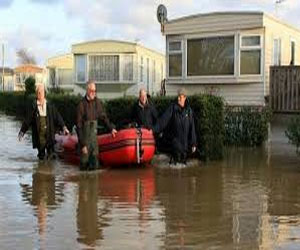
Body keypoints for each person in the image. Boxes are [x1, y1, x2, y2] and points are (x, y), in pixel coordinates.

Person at [18, 84, 69, 160]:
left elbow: (58, 117)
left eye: (41, 92)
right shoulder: (33, 106)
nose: (40, 94)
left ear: (44, 93)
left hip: (50, 135)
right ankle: (40, 170)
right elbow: (27, 121)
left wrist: (64, 127)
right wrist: (22, 132)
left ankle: (48, 170)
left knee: (51, 156)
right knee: (41, 157)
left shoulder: (50, 106)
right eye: (38, 92)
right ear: (36, 94)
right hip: (39, 137)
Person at [76, 80, 117, 170]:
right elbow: (78, 126)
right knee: (83, 168)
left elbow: (104, 117)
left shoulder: (97, 103)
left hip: (94, 143)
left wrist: (111, 128)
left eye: (95, 91)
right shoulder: (81, 105)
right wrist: (83, 145)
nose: (93, 93)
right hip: (85, 143)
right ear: (87, 90)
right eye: (91, 91)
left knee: (95, 167)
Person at [153, 88, 197, 164]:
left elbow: (192, 128)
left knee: (184, 169)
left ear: (185, 98)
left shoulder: (189, 111)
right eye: (178, 96)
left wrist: (193, 143)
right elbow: (163, 120)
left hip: (185, 147)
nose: (178, 98)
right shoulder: (172, 108)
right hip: (175, 146)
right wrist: (153, 130)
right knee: (176, 169)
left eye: (180, 97)